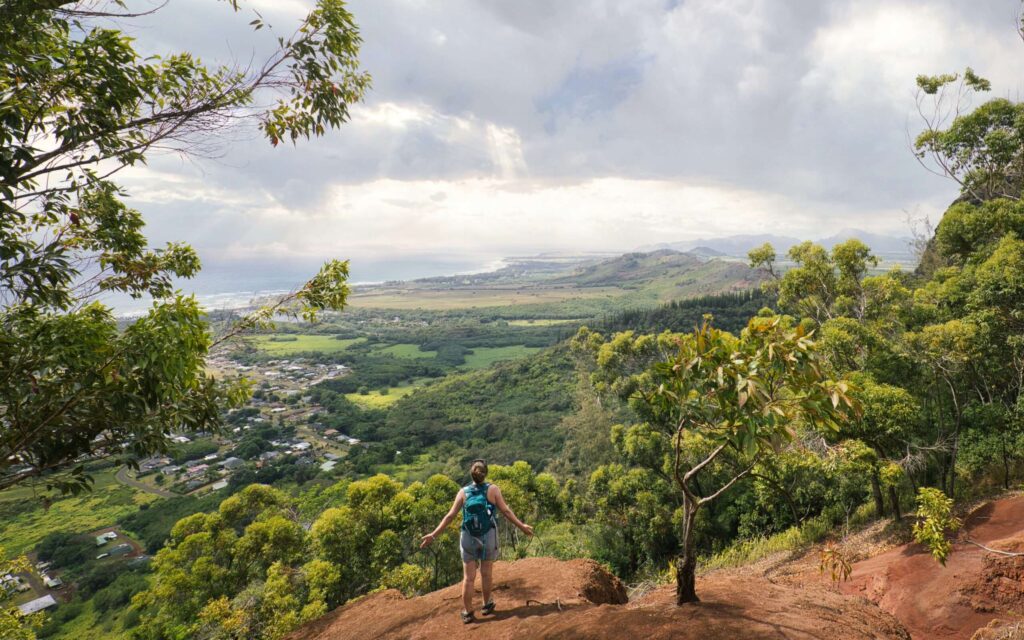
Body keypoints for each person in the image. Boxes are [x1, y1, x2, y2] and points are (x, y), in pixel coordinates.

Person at [420, 459, 533, 623]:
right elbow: (506, 511)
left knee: (469, 578)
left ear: (471, 474)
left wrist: (433, 534)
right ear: (485, 473)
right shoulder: (493, 490)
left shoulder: (463, 492)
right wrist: (522, 526)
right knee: (486, 573)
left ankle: (467, 612)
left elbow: (450, 516)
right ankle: (487, 605)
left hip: (468, 537)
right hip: (488, 536)